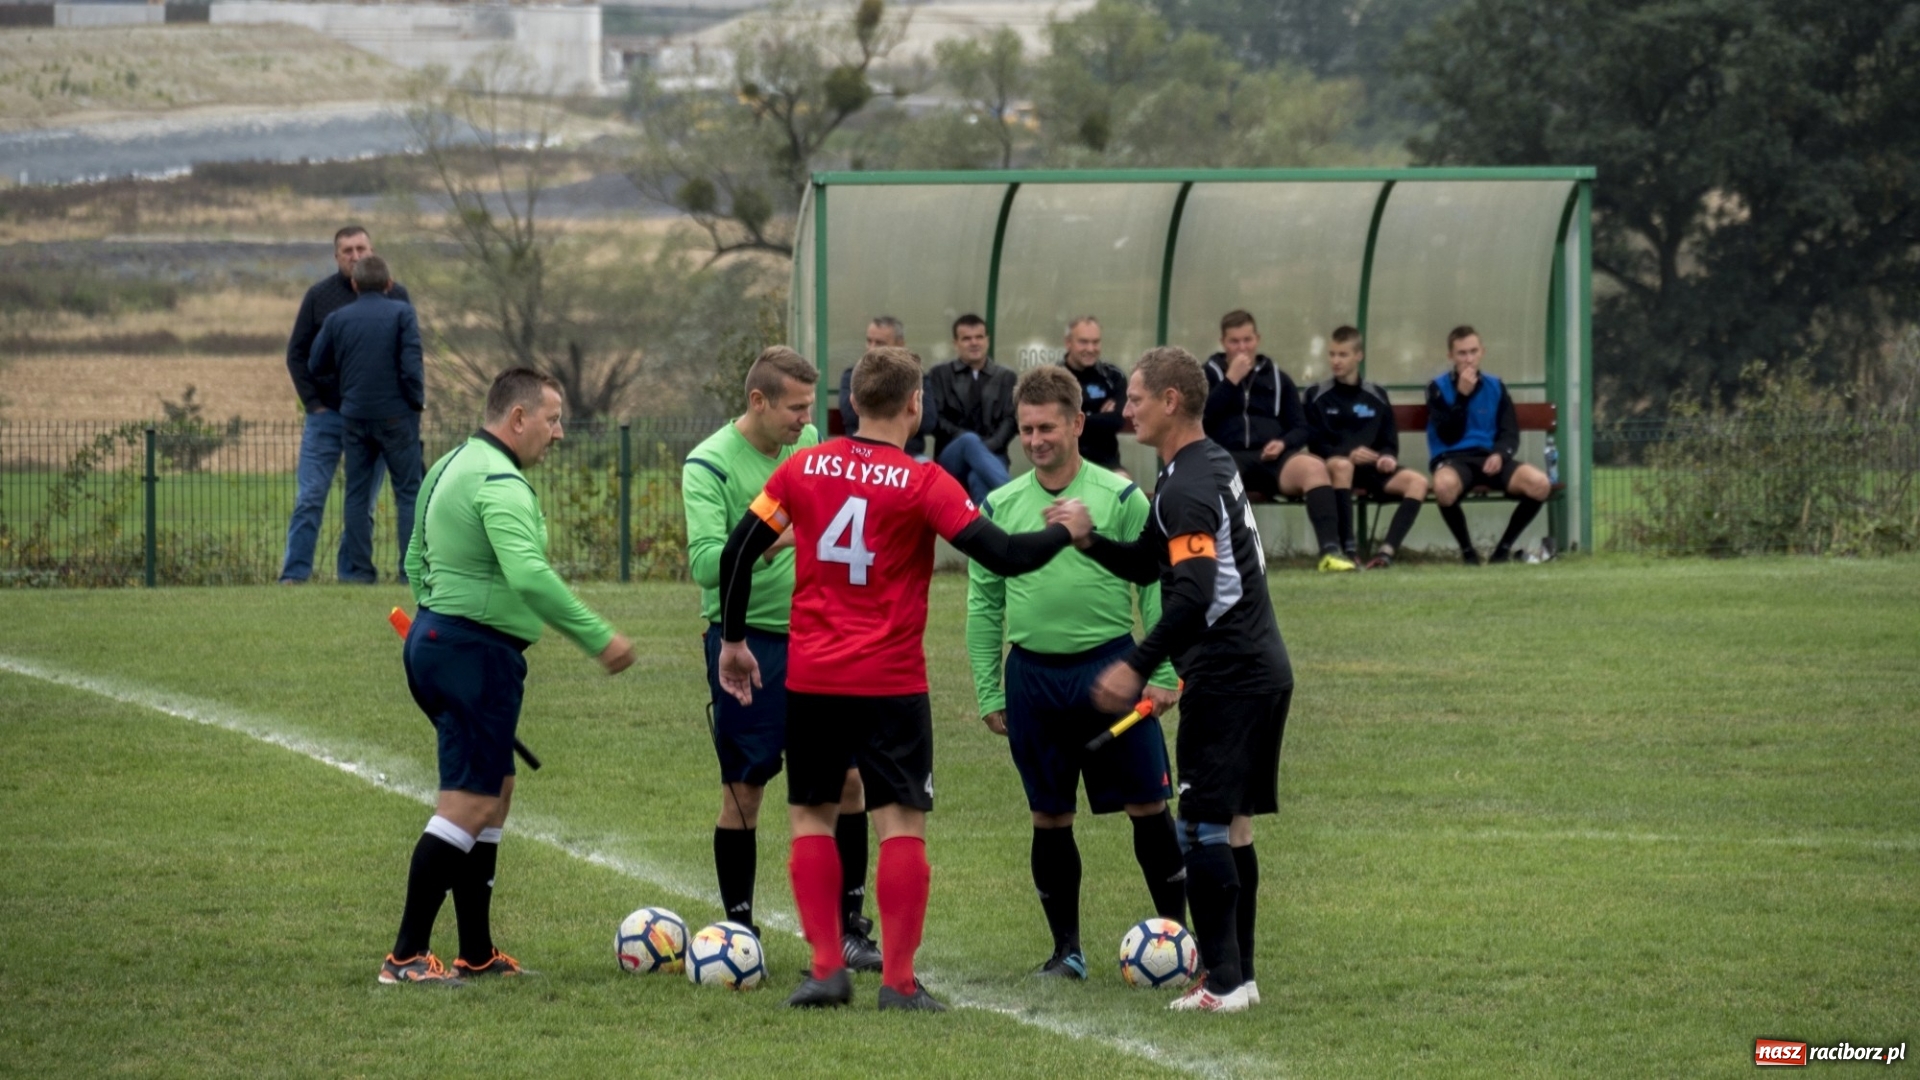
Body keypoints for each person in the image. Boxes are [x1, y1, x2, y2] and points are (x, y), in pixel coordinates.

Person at [713, 346, 1092, 1012]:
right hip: (890, 681)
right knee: (900, 825)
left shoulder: (803, 466)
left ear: (852, 404)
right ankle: (898, 982)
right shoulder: (923, 482)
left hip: (814, 677)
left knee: (811, 817)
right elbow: (1003, 555)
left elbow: (738, 551)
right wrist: (1068, 532)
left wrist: (735, 640)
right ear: (916, 405)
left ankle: (826, 970)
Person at [1049, 346, 1294, 1014]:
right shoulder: (1203, 465)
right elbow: (1151, 565)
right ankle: (1239, 978)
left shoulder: (1185, 486)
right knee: (1231, 827)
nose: (1125, 410)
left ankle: (1221, 984)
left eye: (1135, 398)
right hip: (1258, 670)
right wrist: (1089, 540)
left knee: (1202, 829)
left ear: (1171, 401)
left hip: (1230, 675)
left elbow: (1191, 595)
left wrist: (1135, 664)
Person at [382, 368, 637, 985]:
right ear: (518, 418)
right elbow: (528, 576)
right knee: (469, 802)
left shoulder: (450, 465)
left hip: (445, 643)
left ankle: (476, 953)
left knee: (495, 791)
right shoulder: (501, 481)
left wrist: (434, 619)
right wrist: (598, 638)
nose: (559, 433)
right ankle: (406, 957)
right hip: (473, 655)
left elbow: (414, 558)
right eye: (552, 419)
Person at [966, 365, 1187, 980]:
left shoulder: (1120, 497)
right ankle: (1066, 951)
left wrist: (1163, 668)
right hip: (1032, 679)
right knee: (1049, 815)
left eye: (1048, 428)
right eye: (1027, 429)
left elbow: (1156, 587)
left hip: (1113, 671)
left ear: (1078, 424)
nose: (1036, 440)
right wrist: (988, 687)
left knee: (1148, 806)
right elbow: (984, 603)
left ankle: (1179, 941)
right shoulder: (1000, 505)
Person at [682, 346, 880, 973]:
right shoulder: (709, 464)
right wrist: (775, 537)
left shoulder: (811, 444)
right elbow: (707, 564)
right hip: (749, 643)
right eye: (795, 408)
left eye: (809, 407)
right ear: (758, 401)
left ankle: (850, 928)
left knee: (848, 781)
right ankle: (740, 933)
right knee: (745, 788)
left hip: (822, 639)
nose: (806, 420)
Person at [280, 225, 408, 584]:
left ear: (372, 251)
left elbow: (407, 353)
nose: (355, 256)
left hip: (374, 417)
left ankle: (351, 574)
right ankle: (294, 574)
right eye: (347, 250)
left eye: (361, 249)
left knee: (362, 503)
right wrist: (313, 403)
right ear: (336, 256)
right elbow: (297, 354)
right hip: (328, 416)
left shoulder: (396, 296)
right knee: (310, 497)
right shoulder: (319, 297)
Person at [1201, 310, 1354, 572]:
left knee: (1314, 467)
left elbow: (1301, 427)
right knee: (1218, 475)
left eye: (1247, 340)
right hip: (1228, 456)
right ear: (1223, 342)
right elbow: (1200, 419)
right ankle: (1226, 558)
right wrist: (1231, 381)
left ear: (1257, 339)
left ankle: (1330, 552)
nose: (1242, 347)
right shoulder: (1208, 376)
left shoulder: (1277, 377)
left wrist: (1283, 443)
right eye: (1234, 341)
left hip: (1272, 458)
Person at [308, 254, 424, 584]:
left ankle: (359, 571)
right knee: (408, 493)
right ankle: (408, 571)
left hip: (355, 415)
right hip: (397, 415)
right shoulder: (402, 313)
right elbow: (411, 366)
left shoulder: (338, 318)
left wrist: (346, 379)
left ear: (355, 284)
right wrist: (416, 401)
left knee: (356, 494)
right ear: (389, 284)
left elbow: (316, 364)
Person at [1302, 326, 1429, 569]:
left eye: (1343, 354)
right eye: (1332, 354)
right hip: (1333, 468)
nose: (1336, 361)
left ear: (1358, 356)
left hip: (1371, 468)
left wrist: (1387, 457)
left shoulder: (1377, 395)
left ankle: (1386, 553)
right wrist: (1347, 454)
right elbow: (1315, 446)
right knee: (1343, 466)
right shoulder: (1317, 395)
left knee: (1418, 482)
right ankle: (1349, 551)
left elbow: (1389, 441)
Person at [1425, 326, 1554, 564]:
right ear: (1451, 356)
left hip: (1490, 458)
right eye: (1462, 353)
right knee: (1443, 487)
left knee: (1540, 484)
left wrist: (1500, 454)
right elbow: (1448, 435)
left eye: (1473, 351)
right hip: (1453, 458)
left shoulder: (1496, 386)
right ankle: (1468, 553)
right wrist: (1462, 396)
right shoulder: (1437, 388)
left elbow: (1509, 432)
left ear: (1482, 352)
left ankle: (1502, 551)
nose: (1469, 359)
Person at [928, 314, 1017, 503]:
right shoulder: (940, 374)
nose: (974, 343)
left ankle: (983, 522)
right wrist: (971, 442)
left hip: (994, 454)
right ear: (955, 343)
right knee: (969, 440)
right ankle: (1018, 498)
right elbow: (936, 419)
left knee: (978, 478)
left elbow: (1011, 420)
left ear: (987, 340)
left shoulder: (1006, 377)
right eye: (967, 338)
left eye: (979, 337)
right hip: (951, 455)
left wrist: (988, 446)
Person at [839, 316, 936, 458]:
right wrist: (899, 409)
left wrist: (876, 408)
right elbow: (849, 414)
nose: (871, 348)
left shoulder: (917, 377)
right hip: (861, 454)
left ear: (900, 344)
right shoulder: (852, 375)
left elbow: (928, 421)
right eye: (869, 341)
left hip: (909, 455)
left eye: (880, 343)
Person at [1059, 316, 1130, 473]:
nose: (1091, 349)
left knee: (1124, 481)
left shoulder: (1113, 376)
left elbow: (1117, 420)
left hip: (1107, 463)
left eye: (1095, 342)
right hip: (1065, 463)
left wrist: (1077, 418)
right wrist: (1100, 417)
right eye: (1083, 342)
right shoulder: (1053, 378)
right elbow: (1058, 425)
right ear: (1068, 343)